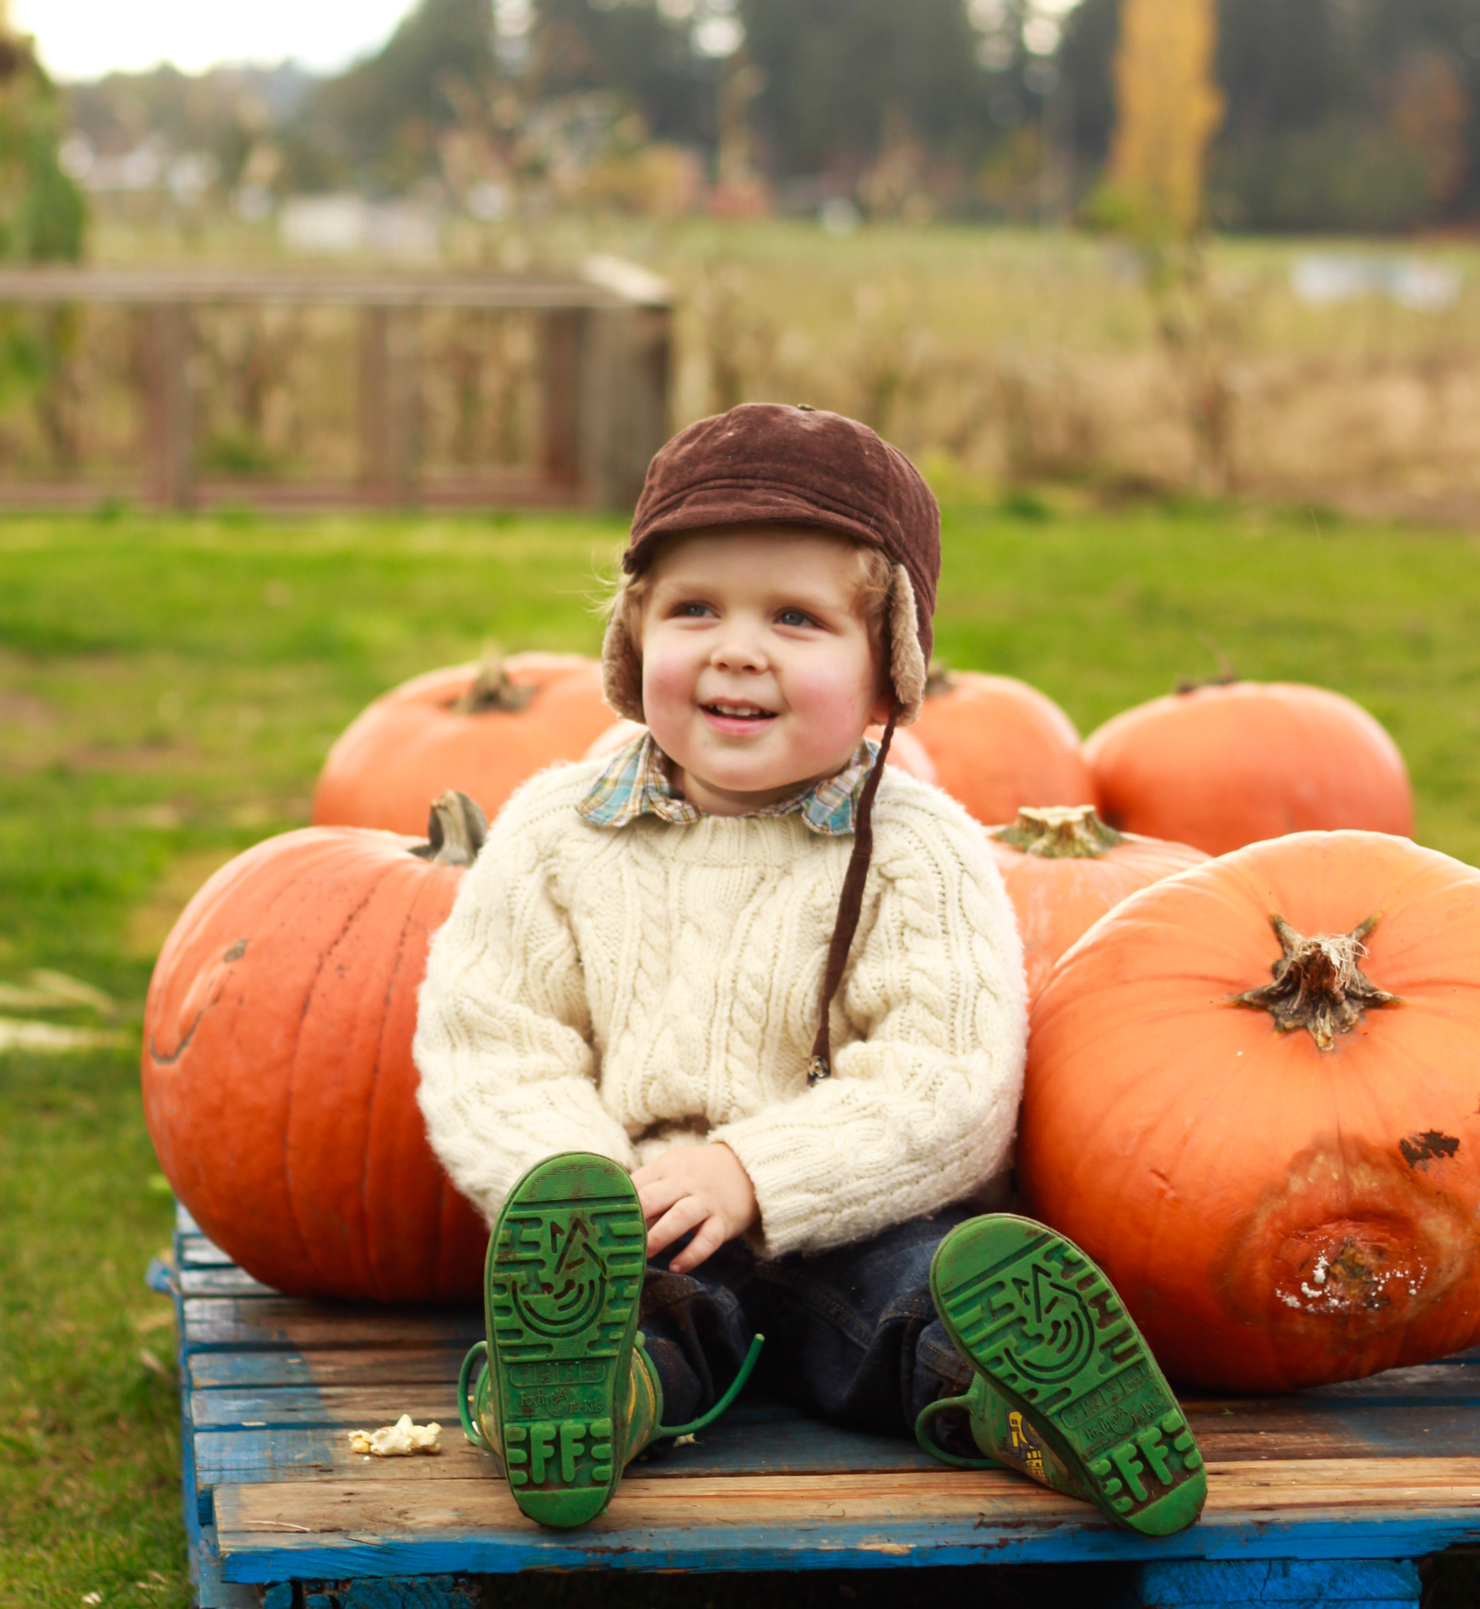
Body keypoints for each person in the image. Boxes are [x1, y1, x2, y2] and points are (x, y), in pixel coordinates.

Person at [414, 404, 1205, 1535]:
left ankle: (1022, 1402)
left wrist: (753, 1169)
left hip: (854, 1217)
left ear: (889, 673)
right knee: (630, 1312)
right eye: (695, 610)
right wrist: (582, 1186)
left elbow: (947, 1081)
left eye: (795, 617)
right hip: (644, 1217)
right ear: (634, 643)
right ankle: (589, 1395)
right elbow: (495, 1044)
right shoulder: (555, 831)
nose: (738, 649)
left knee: (921, 1303)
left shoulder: (917, 851)